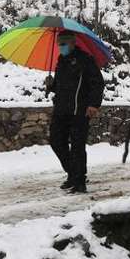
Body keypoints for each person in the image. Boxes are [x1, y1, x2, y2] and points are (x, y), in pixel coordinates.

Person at [44, 30, 104, 194]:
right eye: (59, 44)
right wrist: (51, 85)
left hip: (80, 110)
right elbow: (60, 86)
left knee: (77, 146)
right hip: (61, 110)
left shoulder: (86, 60)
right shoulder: (60, 60)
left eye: (63, 44)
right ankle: (73, 174)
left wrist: (93, 104)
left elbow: (97, 83)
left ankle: (79, 181)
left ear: (72, 43)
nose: (60, 47)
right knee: (56, 141)